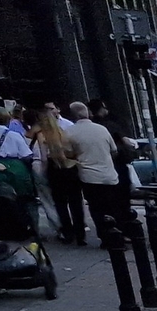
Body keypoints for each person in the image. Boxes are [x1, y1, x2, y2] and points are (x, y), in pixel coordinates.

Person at [63, 102, 128, 246]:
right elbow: (114, 151)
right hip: (109, 174)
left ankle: (105, 236)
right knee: (112, 206)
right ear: (87, 113)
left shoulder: (69, 132)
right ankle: (117, 234)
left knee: (96, 208)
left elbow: (68, 154)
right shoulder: (102, 129)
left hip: (88, 175)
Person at [36, 104, 86, 242]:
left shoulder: (42, 135)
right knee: (76, 202)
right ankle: (80, 234)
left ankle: (68, 232)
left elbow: (44, 158)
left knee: (60, 203)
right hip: (70, 169)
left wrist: (42, 173)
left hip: (55, 169)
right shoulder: (65, 132)